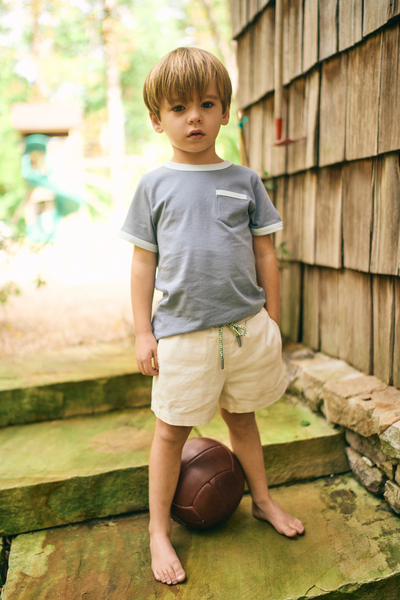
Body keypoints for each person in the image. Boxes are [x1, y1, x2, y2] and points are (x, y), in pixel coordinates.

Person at [119, 46, 304, 586]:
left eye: (206, 104)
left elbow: (265, 250)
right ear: (158, 120)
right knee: (171, 432)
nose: (193, 117)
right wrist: (142, 331)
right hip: (182, 336)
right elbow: (142, 263)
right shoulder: (154, 186)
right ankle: (158, 530)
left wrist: (271, 315)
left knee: (243, 420)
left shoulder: (245, 180)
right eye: (178, 108)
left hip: (246, 329)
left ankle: (263, 500)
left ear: (225, 111)